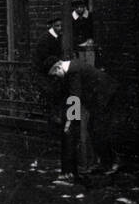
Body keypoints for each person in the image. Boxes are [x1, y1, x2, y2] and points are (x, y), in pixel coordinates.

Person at [44, 55, 121, 185]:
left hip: (106, 98)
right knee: (94, 128)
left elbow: (75, 97)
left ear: (58, 66)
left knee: (97, 128)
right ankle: (106, 162)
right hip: (100, 99)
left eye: (55, 73)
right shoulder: (71, 70)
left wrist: (69, 122)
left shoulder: (74, 72)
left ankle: (112, 162)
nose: (56, 76)